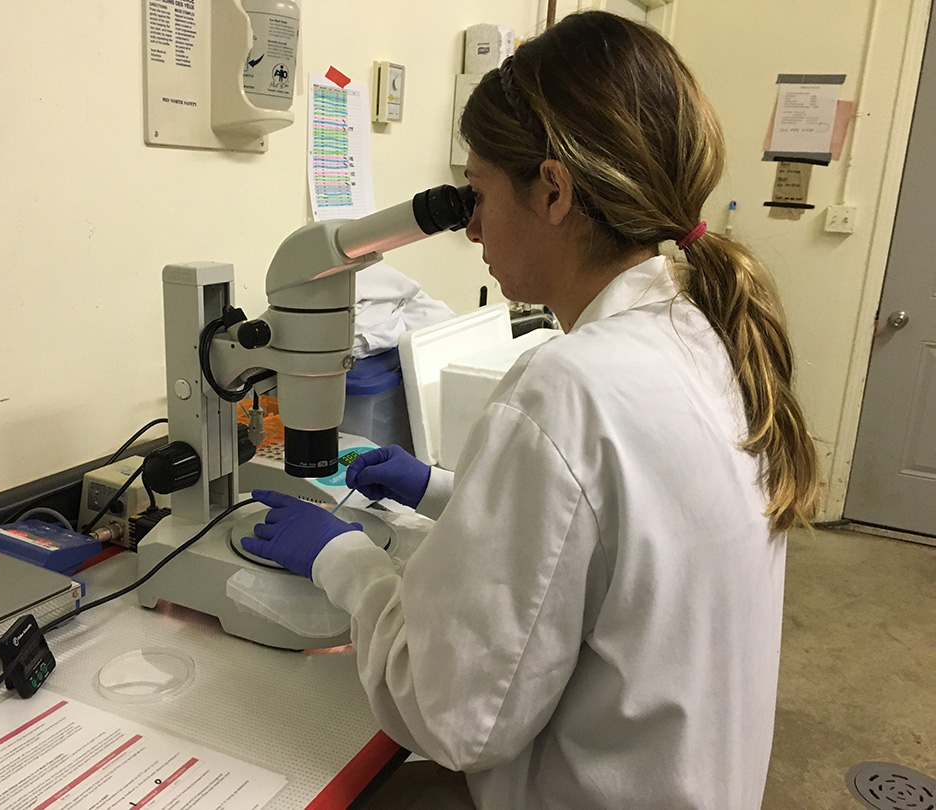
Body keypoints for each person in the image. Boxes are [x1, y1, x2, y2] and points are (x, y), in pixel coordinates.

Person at [242, 10, 820, 809]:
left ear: (552, 190)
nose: (471, 225)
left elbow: (453, 718)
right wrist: (443, 489)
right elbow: (618, 545)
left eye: (477, 191)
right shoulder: (699, 330)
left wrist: (343, 558)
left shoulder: (569, 388)